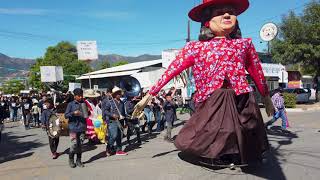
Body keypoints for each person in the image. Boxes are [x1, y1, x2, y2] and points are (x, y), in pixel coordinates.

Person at [148, 0, 274, 166]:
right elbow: (172, 70)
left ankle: (237, 155)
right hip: (212, 97)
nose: (227, 15)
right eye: (220, 11)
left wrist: (265, 95)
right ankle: (214, 155)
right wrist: (151, 94)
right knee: (219, 129)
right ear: (207, 21)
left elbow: (256, 70)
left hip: (242, 97)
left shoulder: (244, 45)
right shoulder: (195, 48)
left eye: (231, 11)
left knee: (246, 128)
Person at [102, 86, 128, 156]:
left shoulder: (122, 102)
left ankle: (119, 150)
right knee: (113, 135)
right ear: (114, 94)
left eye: (119, 93)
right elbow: (105, 111)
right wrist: (112, 115)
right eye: (117, 93)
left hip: (120, 121)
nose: (119, 95)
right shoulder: (110, 102)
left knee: (119, 136)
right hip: (112, 121)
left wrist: (126, 121)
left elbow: (123, 113)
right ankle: (109, 147)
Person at [65, 88, 87, 168]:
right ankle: (71, 160)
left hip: (82, 127)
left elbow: (87, 114)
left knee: (80, 145)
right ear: (75, 96)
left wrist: (88, 112)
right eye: (79, 96)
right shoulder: (70, 104)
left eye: (82, 95)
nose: (81, 97)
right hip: (73, 128)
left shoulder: (84, 103)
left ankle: (79, 161)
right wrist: (73, 113)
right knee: (74, 145)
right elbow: (66, 115)